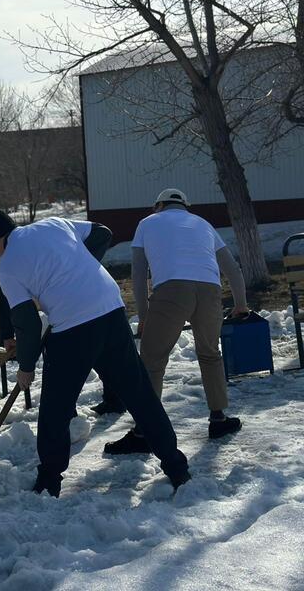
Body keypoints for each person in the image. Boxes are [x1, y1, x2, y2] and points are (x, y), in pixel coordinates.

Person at [0, 209, 190, 498]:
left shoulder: (8, 267)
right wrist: (78, 269)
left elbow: (27, 323)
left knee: (56, 408)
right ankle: (176, 467)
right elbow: (102, 233)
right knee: (139, 393)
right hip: (111, 309)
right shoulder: (53, 224)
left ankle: (48, 481)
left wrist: (26, 367)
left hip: (72, 327)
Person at [105, 189, 248, 454]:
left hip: (172, 290)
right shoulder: (203, 224)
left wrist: (144, 315)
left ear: (159, 205)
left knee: (152, 360)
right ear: (185, 205)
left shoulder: (147, 223)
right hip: (210, 291)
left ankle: (143, 432)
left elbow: (139, 273)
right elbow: (232, 268)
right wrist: (240, 304)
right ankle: (218, 419)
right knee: (210, 355)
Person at [0, 219, 126, 415]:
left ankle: (82, 408)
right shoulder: (12, 262)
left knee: (75, 363)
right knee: (93, 357)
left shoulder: (43, 241)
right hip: (63, 314)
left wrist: (81, 266)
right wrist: (7, 335)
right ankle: (70, 410)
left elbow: (102, 233)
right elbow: (7, 300)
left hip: (76, 313)